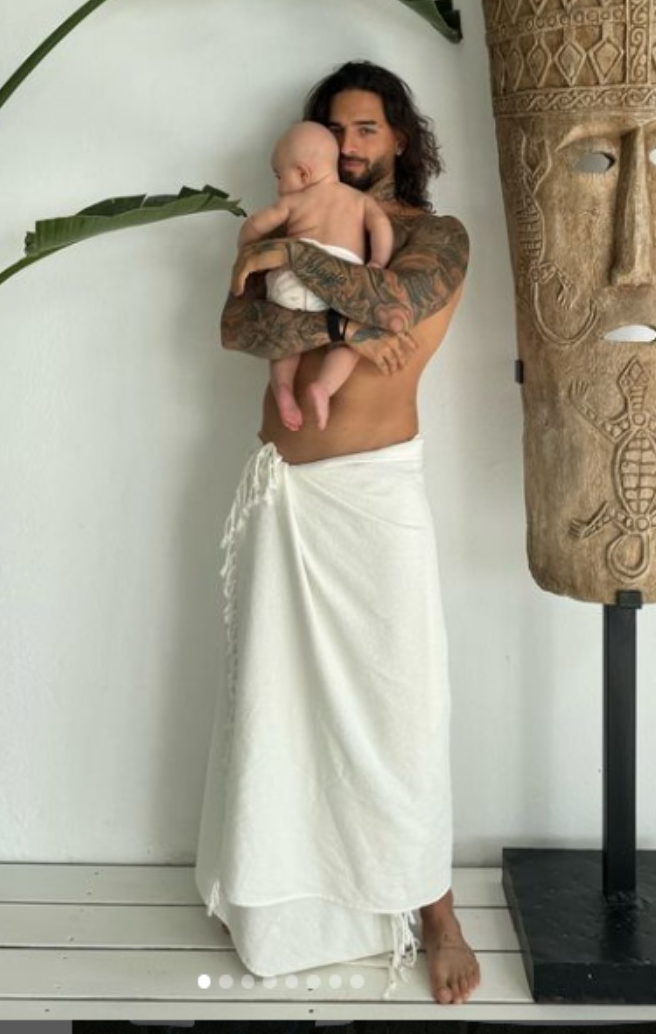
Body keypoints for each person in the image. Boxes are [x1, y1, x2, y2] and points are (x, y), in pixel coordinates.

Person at [195, 60, 480, 1006]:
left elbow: (398, 306)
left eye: (368, 128)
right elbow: (241, 331)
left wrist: (298, 270)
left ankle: (435, 910)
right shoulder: (290, 220)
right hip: (285, 491)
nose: (351, 146)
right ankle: (285, 902)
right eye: (337, 128)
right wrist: (345, 311)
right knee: (277, 708)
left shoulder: (435, 234)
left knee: (406, 706)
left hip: (375, 491)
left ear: (399, 136)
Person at [237, 119, 394, 432]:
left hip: (291, 280)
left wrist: (246, 248)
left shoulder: (292, 201)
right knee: (348, 345)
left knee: (286, 342)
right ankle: (323, 388)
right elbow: (381, 226)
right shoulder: (359, 200)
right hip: (339, 282)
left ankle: (283, 390)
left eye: (278, 176)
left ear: (303, 174)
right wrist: (377, 261)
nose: (278, 185)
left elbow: (254, 224)